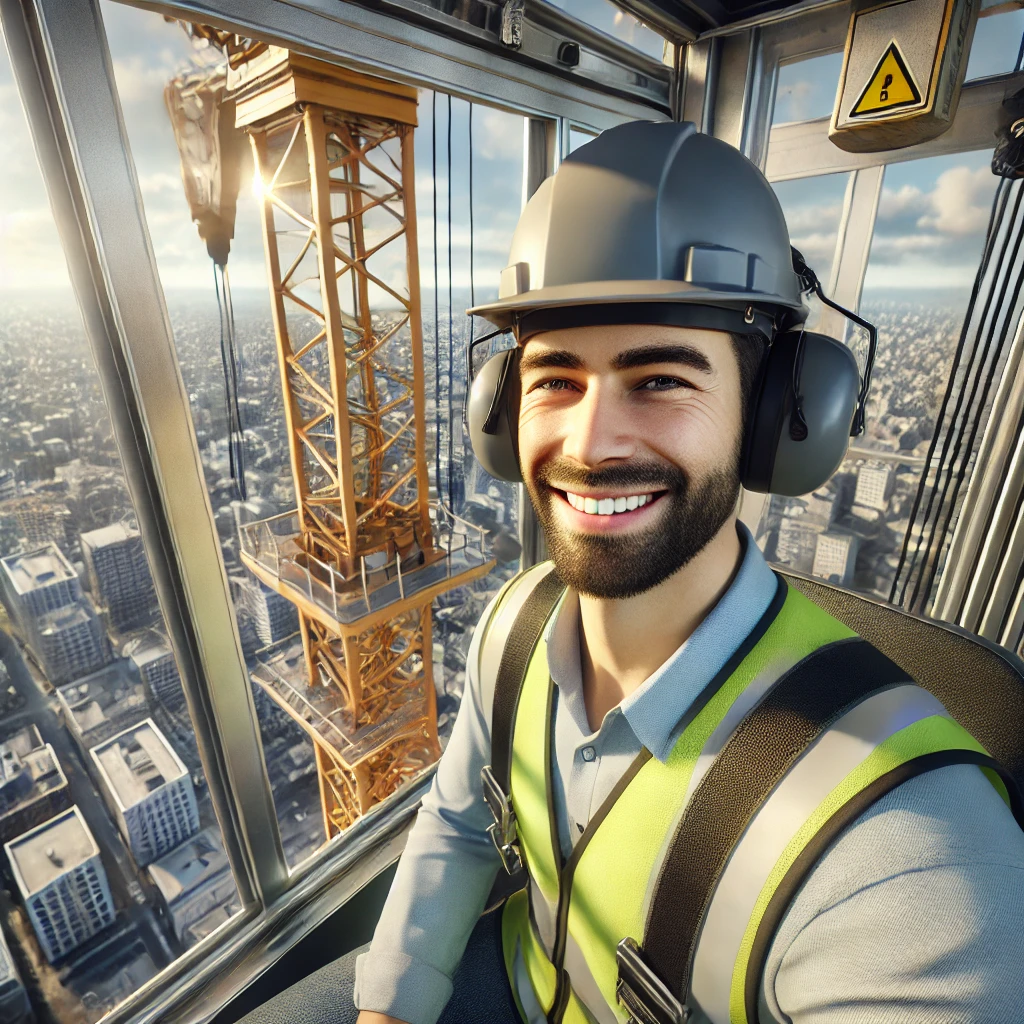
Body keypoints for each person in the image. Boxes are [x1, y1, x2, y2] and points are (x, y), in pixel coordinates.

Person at [243, 122, 1024, 1024]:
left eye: (659, 380)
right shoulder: (516, 624)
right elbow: (459, 825)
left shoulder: (917, 860)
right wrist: (391, 1007)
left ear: (775, 420)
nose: (589, 443)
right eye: (555, 380)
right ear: (502, 411)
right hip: (526, 973)